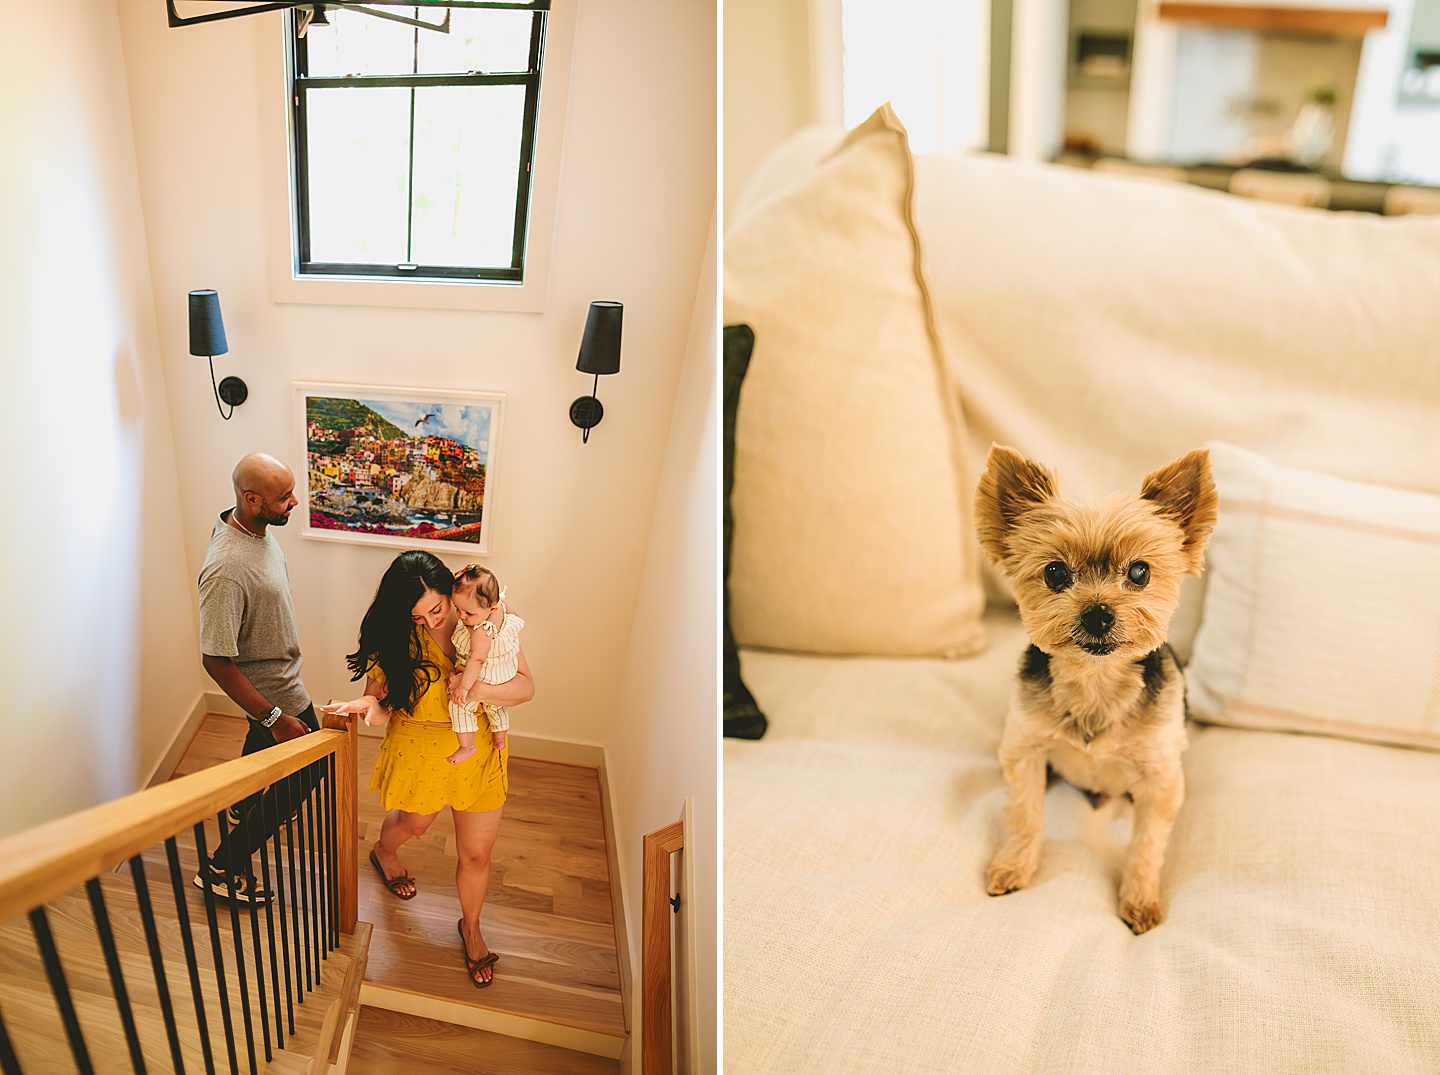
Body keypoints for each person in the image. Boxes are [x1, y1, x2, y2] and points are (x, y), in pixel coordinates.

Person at [320, 550, 534, 988]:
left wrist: (473, 687)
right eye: (417, 617)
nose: (430, 621)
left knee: (476, 853)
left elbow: (526, 687)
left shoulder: (487, 617)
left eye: (436, 609)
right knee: (414, 826)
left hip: (475, 752)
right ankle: (384, 851)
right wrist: (368, 705)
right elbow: (381, 706)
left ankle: (471, 929)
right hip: (419, 748)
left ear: (450, 590)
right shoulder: (398, 633)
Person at [196, 452, 317, 903]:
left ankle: (244, 804)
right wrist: (274, 718)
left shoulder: (252, 527)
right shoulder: (225, 569)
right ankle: (222, 868)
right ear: (252, 499)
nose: (294, 502)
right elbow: (215, 660)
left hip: (279, 676)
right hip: (275, 692)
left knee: (263, 754)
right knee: (309, 770)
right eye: (284, 497)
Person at [442, 564, 524, 767]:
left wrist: (463, 688)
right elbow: (515, 617)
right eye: (457, 609)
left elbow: (476, 660)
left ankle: (467, 746)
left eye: (468, 613)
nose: (461, 616)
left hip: (485, 673)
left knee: (460, 706)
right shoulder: (501, 606)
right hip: (505, 670)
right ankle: (499, 738)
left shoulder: (481, 630)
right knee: (495, 706)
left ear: (491, 608)